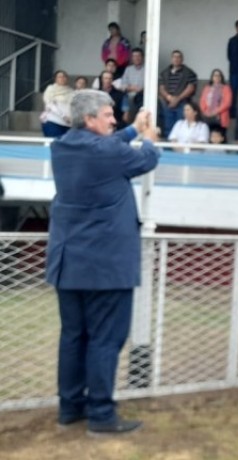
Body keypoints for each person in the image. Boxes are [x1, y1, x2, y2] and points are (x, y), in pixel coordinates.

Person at [48, 90, 160, 436]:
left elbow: (107, 147)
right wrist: (148, 138)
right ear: (90, 119)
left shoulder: (62, 147)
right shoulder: (110, 150)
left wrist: (130, 132)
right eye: (109, 115)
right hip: (106, 266)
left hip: (69, 264)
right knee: (105, 340)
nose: (115, 120)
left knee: (74, 337)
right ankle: (100, 414)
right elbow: (146, 160)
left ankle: (70, 408)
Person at [158, 50, 197, 136]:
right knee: (168, 127)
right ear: (171, 59)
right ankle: (168, 148)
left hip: (183, 103)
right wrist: (169, 97)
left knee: (181, 126)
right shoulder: (164, 73)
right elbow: (161, 88)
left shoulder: (189, 73)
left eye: (178, 57)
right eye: (174, 57)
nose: (176, 59)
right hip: (167, 103)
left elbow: (191, 87)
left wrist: (178, 99)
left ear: (182, 59)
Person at [41, 70, 73, 138]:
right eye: (59, 77)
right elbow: (49, 104)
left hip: (68, 124)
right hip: (53, 121)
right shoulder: (51, 89)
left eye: (64, 76)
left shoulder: (71, 91)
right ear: (55, 79)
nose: (62, 78)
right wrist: (63, 116)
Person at [118, 48, 145, 124]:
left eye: (138, 56)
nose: (136, 58)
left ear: (142, 57)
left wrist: (141, 89)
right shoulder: (128, 69)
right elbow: (122, 85)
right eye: (134, 56)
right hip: (128, 95)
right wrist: (131, 88)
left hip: (142, 96)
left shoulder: (147, 69)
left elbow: (150, 85)